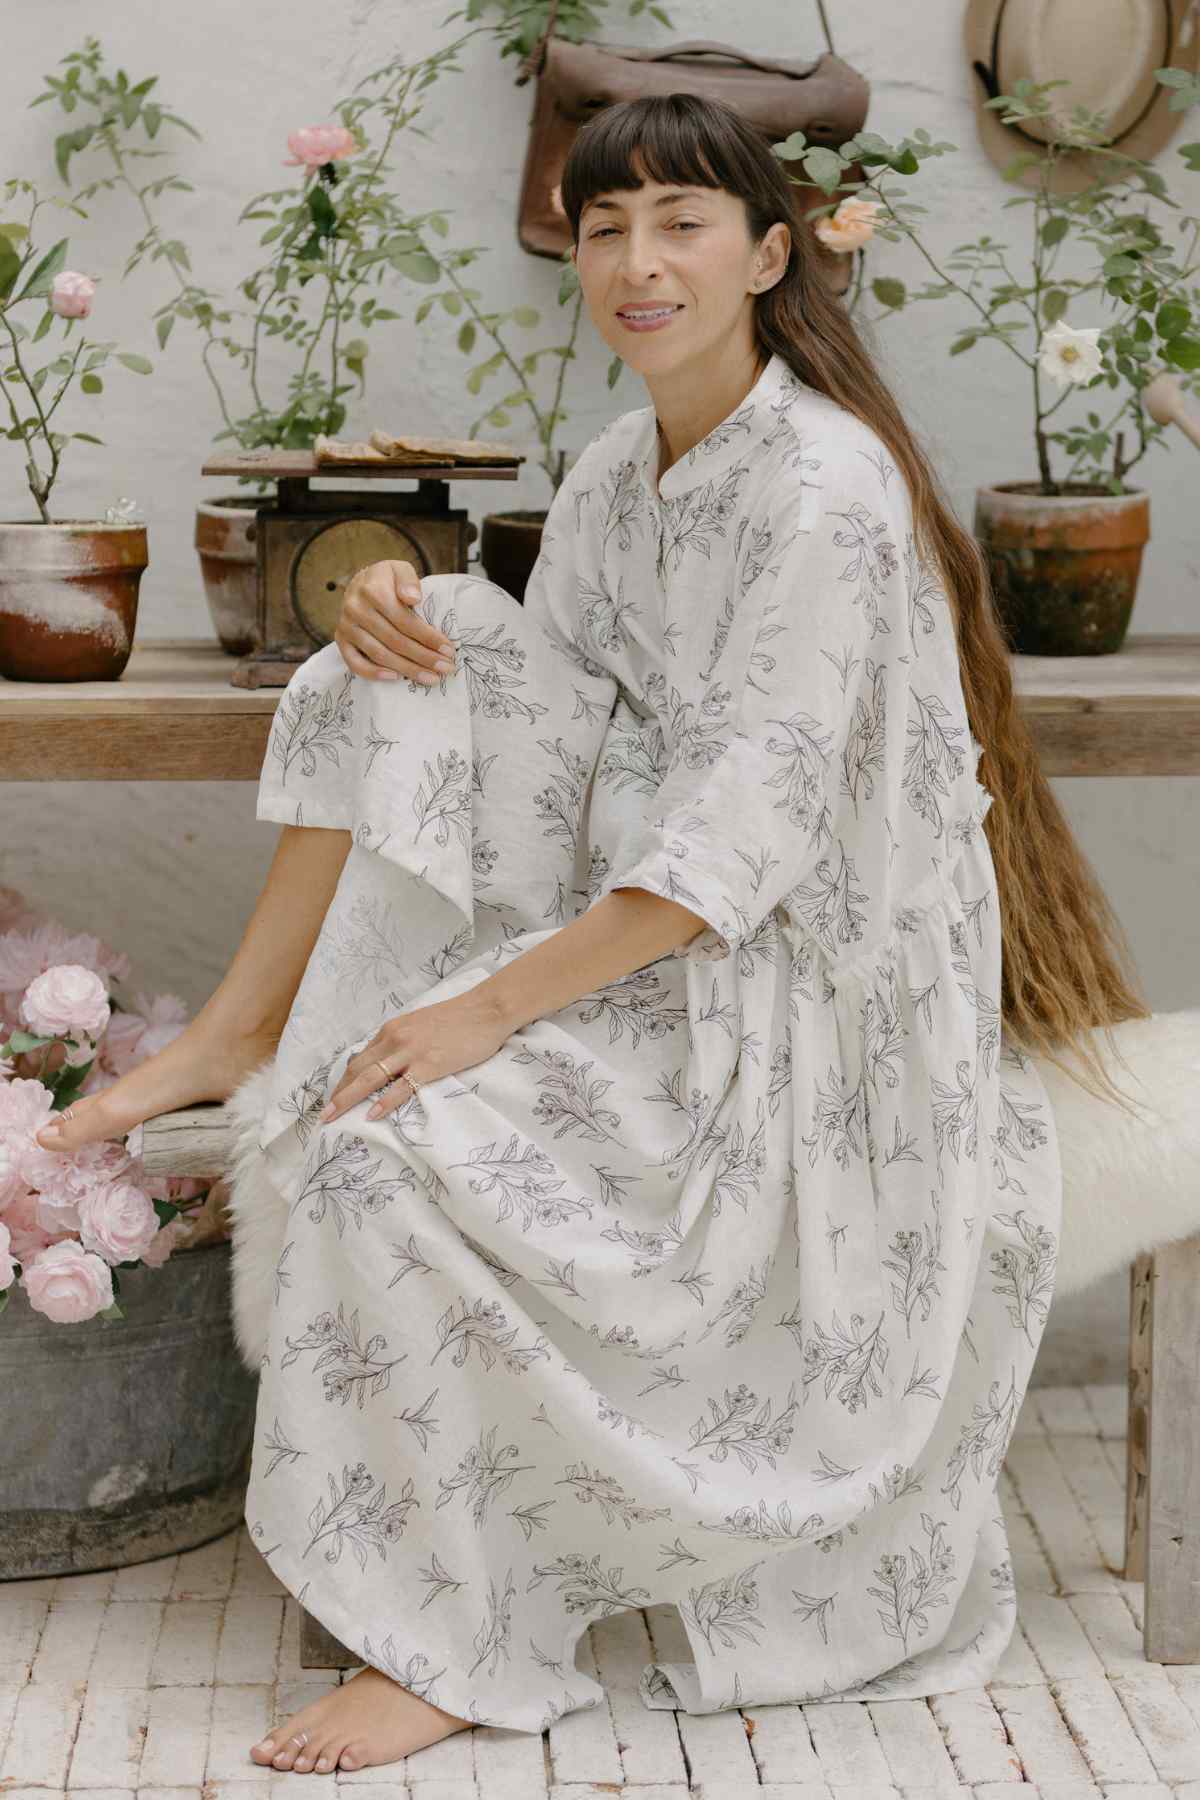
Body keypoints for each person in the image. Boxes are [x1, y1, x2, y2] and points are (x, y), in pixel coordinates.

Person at [37, 92, 1149, 1776]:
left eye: (682, 224)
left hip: (812, 1007)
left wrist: (483, 1012)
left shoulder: (828, 492)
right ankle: (233, 1033)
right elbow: (552, 742)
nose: (638, 261)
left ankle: (462, 1641)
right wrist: (407, 610)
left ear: (771, 257)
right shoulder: (621, 470)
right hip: (650, 949)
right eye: (607, 226)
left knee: (377, 1154)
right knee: (377, 663)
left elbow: (738, 845)